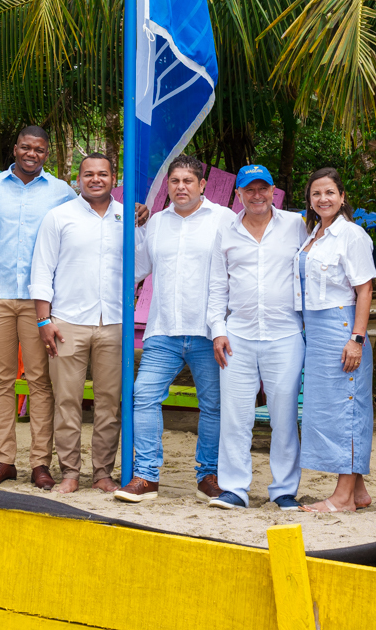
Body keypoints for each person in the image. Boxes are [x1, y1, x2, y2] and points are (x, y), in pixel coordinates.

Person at [114, 155, 233, 503]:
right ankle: (146, 476)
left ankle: (208, 475)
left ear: (202, 186)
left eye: (188, 181)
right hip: (163, 330)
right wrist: (132, 228)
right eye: (175, 181)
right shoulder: (156, 223)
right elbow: (136, 269)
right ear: (168, 185)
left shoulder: (223, 220)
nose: (181, 187)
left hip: (208, 332)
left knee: (213, 405)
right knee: (143, 397)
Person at [205, 165, 309, 511]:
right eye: (249, 190)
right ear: (239, 194)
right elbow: (217, 285)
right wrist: (218, 330)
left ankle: (283, 491)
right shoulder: (227, 230)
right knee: (235, 416)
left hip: (285, 335)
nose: (257, 195)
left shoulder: (295, 225)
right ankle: (234, 488)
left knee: (283, 415)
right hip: (239, 336)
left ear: (274, 190)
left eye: (263, 188)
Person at [0, 126, 74, 488]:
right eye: (26, 147)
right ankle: (3, 461)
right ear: (15, 148)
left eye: (40, 149)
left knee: (39, 381)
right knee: (1, 381)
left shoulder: (62, 193)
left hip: (40, 300)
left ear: (47, 153)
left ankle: (39, 463)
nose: (32, 153)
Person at [31, 153, 125, 494]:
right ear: (78, 179)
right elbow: (42, 270)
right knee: (66, 401)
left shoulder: (126, 217)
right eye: (89, 174)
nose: (96, 179)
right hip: (67, 322)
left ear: (114, 177)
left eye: (102, 174)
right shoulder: (59, 217)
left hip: (114, 322)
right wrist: (44, 319)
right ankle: (69, 471)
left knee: (109, 403)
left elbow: (140, 265)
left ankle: (102, 472)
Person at [295, 168, 376, 513]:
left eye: (330, 192)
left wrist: (356, 339)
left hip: (342, 326)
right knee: (328, 409)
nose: (323, 199)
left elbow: (365, 290)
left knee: (347, 408)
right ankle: (358, 492)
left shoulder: (352, 235)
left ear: (342, 197)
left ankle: (342, 498)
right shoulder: (313, 233)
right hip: (315, 328)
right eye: (316, 194)